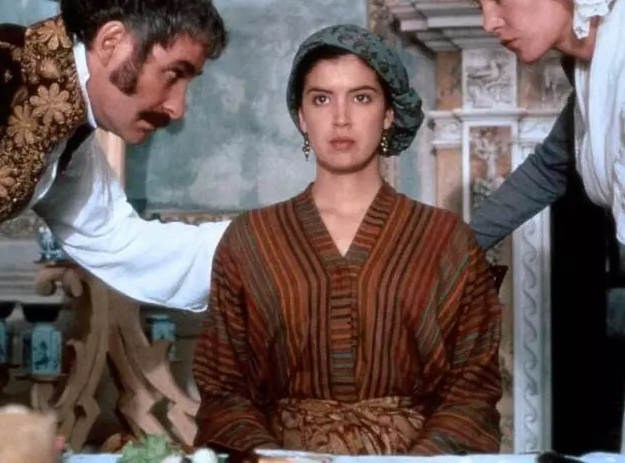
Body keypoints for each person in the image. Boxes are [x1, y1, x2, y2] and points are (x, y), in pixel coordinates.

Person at [0, 0, 231, 420]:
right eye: (173, 74)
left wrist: (285, 239)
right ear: (112, 41)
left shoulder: (63, 131)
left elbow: (123, 244)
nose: (178, 108)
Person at [191, 24, 502, 458]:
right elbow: (224, 390)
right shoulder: (251, 240)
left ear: (388, 113)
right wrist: (273, 459)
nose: (341, 118)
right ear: (301, 116)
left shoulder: (446, 240)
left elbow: (472, 392)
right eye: (321, 99)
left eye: (361, 98)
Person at [442, 0, 625, 252]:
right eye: (479, 4)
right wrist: (450, 255)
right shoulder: (590, 65)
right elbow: (549, 168)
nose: (488, 23)